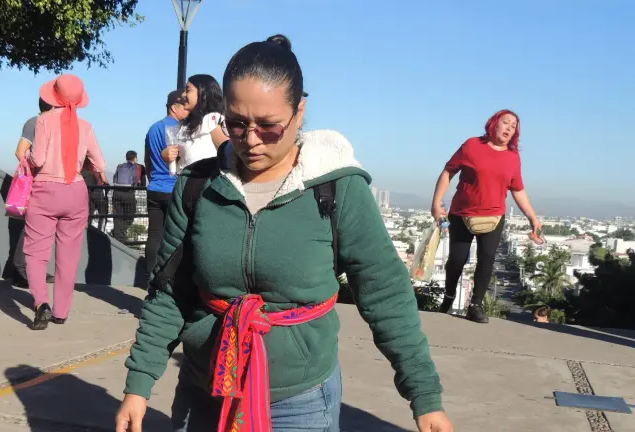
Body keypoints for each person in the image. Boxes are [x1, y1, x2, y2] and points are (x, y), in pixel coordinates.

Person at [116, 35, 452, 432]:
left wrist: (424, 395)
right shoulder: (197, 186)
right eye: (237, 125)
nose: (251, 140)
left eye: (269, 126)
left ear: (300, 111)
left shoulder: (337, 189)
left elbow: (385, 292)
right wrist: (138, 385)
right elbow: (169, 292)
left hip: (301, 401)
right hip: (205, 390)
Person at [432, 109, 541, 324]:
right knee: (456, 260)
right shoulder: (472, 145)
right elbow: (448, 172)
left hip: (493, 217)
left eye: (514, 126)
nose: (510, 128)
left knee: (487, 259)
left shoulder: (513, 157)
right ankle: (449, 295)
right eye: (506, 122)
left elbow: (517, 189)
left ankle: (476, 304)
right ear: (494, 123)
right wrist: (437, 203)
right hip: (462, 214)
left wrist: (533, 218)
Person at [23, 74, 106, 330]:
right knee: (68, 256)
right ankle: (61, 312)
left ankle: (41, 304)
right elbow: (100, 164)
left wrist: (25, 154)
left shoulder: (44, 121)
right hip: (76, 192)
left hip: (46, 190)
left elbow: (36, 159)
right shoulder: (86, 126)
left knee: (36, 253)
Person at [143, 91, 190, 274]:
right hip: (174, 189)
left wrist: (152, 178)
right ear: (174, 107)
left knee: (154, 235)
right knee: (176, 237)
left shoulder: (154, 128)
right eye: (185, 108)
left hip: (154, 187)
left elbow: (147, 160)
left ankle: (149, 277)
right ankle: (169, 277)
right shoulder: (181, 130)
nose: (188, 111)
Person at [11, 98, 55, 288]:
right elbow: (20, 151)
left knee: (40, 229)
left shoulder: (39, 122)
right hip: (36, 182)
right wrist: (36, 167)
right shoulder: (35, 122)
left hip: (44, 182)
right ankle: (21, 270)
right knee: (30, 228)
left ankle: (32, 270)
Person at [171, 74, 229, 173]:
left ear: (203, 93)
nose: (183, 94)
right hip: (184, 184)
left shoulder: (212, 120)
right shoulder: (185, 125)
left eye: (188, 90)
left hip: (204, 184)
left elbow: (228, 152)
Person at [111, 150, 146, 243]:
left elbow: (114, 179)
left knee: (117, 216)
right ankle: (120, 233)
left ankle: (118, 237)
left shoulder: (120, 166)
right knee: (131, 214)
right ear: (135, 158)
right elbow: (139, 182)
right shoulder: (137, 167)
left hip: (116, 193)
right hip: (128, 193)